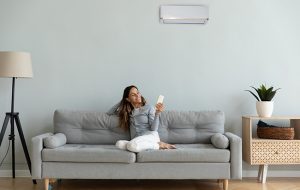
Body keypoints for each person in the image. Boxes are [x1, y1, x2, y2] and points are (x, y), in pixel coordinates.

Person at [107, 85, 176, 152]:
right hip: (137, 140)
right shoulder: (127, 112)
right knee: (119, 144)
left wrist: (157, 113)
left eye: (138, 93)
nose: (137, 95)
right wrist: (123, 101)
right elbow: (109, 112)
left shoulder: (149, 107)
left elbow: (154, 129)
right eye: (133, 95)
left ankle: (159, 145)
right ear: (128, 99)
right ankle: (137, 146)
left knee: (132, 145)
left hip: (150, 136)